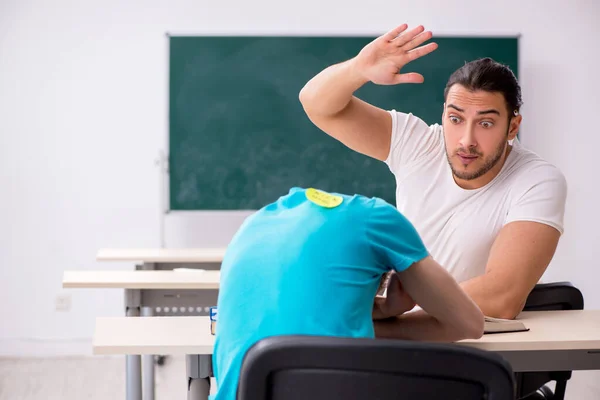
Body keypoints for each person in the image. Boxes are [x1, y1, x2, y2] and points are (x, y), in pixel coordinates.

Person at [298, 24, 567, 320]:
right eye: (455, 119)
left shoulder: (537, 180)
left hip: (468, 345)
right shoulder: (419, 144)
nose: (466, 140)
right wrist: (358, 69)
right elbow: (318, 105)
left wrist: (395, 308)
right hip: (399, 334)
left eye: (486, 123)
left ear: (512, 127)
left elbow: (502, 297)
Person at [212, 187, 484, 400]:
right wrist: (387, 318)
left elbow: (314, 307)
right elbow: (468, 323)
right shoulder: (378, 217)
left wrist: (375, 314)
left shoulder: (254, 223)